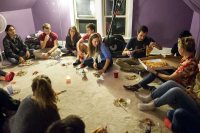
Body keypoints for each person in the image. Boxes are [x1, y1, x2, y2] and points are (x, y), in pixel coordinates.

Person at [124, 37, 198, 91]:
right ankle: (140, 85)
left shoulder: (188, 63)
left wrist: (155, 72)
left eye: (178, 48)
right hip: (180, 78)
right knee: (157, 69)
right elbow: (179, 71)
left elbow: (170, 78)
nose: (178, 49)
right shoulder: (189, 58)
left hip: (180, 85)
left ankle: (140, 86)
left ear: (182, 49)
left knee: (154, 72)